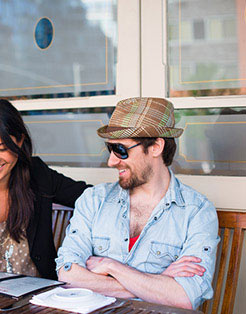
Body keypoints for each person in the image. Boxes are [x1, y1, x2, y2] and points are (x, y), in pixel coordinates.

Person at [56, 97, 219, 309]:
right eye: (110, 149)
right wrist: (158, 280)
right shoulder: (94, 200)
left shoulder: (197, 211)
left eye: (121, 150)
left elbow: (185, 297)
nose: (111, 161)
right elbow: (68, 275)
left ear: (156, 147)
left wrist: (110, 265)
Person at [0, 97, 90, 280]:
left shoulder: (37, 175)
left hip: (41, 294)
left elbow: (90, 198)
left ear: (19, 141)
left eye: (2, 148)